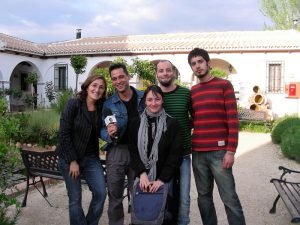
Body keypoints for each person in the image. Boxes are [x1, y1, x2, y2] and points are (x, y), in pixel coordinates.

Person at [188, 48, 246, 225]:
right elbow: (194, 120)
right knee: (204, 198)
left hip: (219, 153)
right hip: (198, 153)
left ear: (208, 63)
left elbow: (233, 119)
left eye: (200, 62)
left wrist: (230, 151)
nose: (197, 66)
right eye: (193, 64)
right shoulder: (194, 91)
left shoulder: (224, 85)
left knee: (229, 198)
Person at [56, 74, 107, 225]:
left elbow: (102, 131)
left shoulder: (101, 108)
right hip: (69, 158)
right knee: (75, 198)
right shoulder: (74, 104)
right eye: (94, 85)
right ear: (87, 86)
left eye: (101, 87)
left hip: (91, 158)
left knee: (100, 193)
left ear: (104, 92)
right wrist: (72, 160)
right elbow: (64, 133)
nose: (97, 90)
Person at [128, 85, 182, 225]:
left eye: (157, 99)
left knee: (165, 216)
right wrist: (142, 173)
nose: (153, 103)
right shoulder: (135, 123)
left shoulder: (172, 124)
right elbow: (133, 151)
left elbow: (175, 155)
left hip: (165, 179)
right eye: (149, 99)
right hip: (142, 178)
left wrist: (161, 180)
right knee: (142, 214)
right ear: (145, 101)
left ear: (162, 100)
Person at [101, 63, 145, 225]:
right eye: (114, 79)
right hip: (117, 151)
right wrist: (108, 134)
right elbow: (101, 129)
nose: (118, 81)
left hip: (139, 152)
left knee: (139, 194)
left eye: (121, 77)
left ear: (128, 77)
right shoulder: (109, 103)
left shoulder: (143, 98)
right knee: (115, 196)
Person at [156, 60, 192, 225]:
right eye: (161, 70)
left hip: (183, 154)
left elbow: (196, 118)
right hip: (161, 157)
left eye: (168, 70)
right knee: (164, 195)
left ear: (174, 73)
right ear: (157, 74)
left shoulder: (185, 94)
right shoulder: (154, 96)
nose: (165, 73)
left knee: (184, 196)